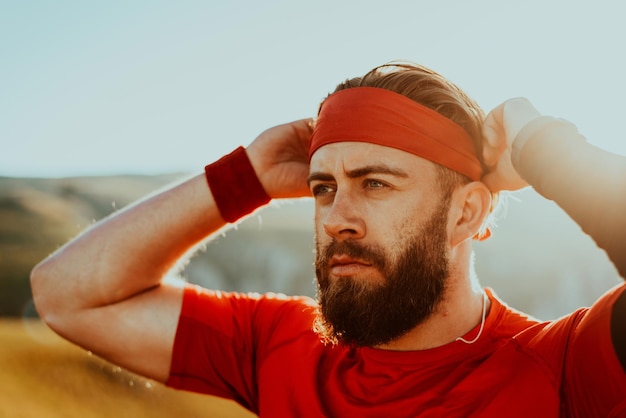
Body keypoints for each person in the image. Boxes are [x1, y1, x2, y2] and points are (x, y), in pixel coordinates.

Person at [31, 62, 626, 417]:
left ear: (466, 213)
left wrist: (540, 142)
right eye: (322, 187)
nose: (337, 216)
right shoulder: (281, 346)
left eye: (375, 183)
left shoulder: (569, 370)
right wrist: (247, 178)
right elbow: (65, 294)